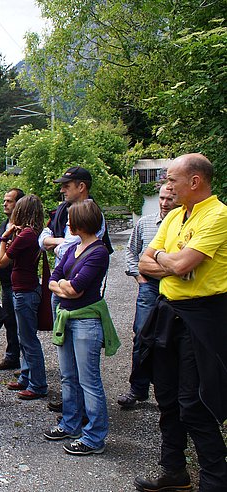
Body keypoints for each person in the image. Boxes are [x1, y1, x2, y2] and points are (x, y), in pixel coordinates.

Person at [134, 153, 227, 492]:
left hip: (202, 317)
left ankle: (216, 481)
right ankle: (174, 471)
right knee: (168, 397)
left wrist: (170, 262)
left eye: (171, 180)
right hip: (168, 311)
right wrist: (168, 261)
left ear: (195, 182)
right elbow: (147, 263)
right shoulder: (174, 216)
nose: (166, 186)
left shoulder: (218, 216)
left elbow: (183, 262)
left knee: (195, 402)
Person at [44, 199, 120, 456]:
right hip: (67, 318)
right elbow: (54, 279)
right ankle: (70, 423)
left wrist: (65, 285)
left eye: (70, 218)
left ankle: (95, 436)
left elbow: (76, 289)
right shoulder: (73, 247)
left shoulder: (98, 252)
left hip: (86, 321)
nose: (66, 222)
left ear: (81, 222)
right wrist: (63, 284)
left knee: (89, 381)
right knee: (68, 376)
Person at [39, 165, 113, 413]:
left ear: (82, 187)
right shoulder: (62, 211)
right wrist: (62, 283)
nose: (62, 190)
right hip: (65, 304)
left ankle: (89, 424)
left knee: (86, 375)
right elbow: (44, 240)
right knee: (68, 371)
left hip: (84, 313)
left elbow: (76, 288)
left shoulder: (95, 234)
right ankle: (71, 415)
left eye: (66, 186)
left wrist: (57, 245)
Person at [117, 185, 175, 409]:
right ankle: (138, 388)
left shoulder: (183, 225)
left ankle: (168, 392)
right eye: (161, 198)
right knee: (142, 334)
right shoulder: (146, 223)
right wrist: (138, 276)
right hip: (149, 285)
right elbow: (132, 251)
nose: (164, 202)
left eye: (170, 198)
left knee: (169, 338)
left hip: (175, 286)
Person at [0, 194, 48, 400]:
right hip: (28, 289)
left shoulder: (25, 235)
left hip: (24, 291)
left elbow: (2, 261)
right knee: (24, 337)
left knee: (29, 340)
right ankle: (26, 377)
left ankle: (38, 384)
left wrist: (4, 237)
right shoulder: (33, 233)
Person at [0, 188, 24, 372]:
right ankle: (12, 356)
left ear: (19, 203)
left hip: (18, 282)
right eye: (4, 200)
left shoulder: (23, 227)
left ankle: (26, 365)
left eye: (9, 201)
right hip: (5, 281)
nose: (5, 203)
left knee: (22, 325)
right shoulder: (5, 224)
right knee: (9, 320)